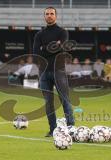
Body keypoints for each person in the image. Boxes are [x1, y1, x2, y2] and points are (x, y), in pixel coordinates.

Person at [33, 6, 75, 137]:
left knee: (65, 100)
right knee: (48, 103)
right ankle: (53, 130)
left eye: (52, 13)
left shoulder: (63, 32)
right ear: (44, 16)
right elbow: (36, 53)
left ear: (56, 16)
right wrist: (53, 46)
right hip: (44, 72)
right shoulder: (39, 34)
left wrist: (44, 48)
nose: (49, 16)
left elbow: (60, 47)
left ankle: (71, 129)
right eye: (47, 14)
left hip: (59, 70)